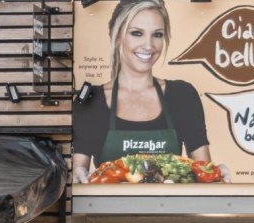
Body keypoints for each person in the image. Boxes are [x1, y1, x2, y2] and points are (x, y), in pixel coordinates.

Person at [73, 0, 215, 183]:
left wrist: (216, 174)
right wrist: (76, 176)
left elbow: (204, 173)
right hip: (108, 211)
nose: (148, 45)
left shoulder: (182, 96)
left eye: (157, 35)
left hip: (172, 209)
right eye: (136, 33)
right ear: (117, 37)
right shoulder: (92, 102)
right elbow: (79, 177)